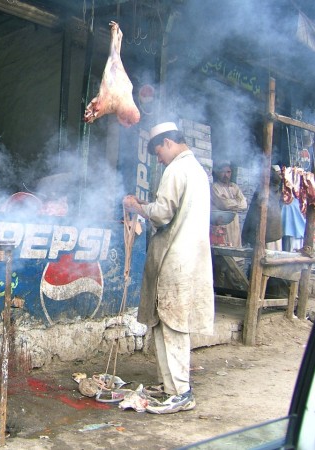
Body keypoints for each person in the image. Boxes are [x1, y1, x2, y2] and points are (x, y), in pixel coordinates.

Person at [123, 121, 214, 414]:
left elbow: (162, 214)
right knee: (165, 321)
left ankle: (182, 391)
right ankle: (170, 387)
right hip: (189, 257)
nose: (158, 158)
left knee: (173, 324)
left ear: (168, 143)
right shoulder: (197, 170)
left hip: (177, 258)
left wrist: (137, 206)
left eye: (158, 152)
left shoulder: (176, 169)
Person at [241, 165, 283, 250]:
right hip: (264, 233)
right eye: (278, 174)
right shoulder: (263, 190)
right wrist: (245, 234)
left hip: (271, 234)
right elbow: (252, 213)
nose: (280, 176)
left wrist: (245, 234)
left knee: (270, 256)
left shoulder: (274, 188)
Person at [210, 161, 247, 247]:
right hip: (222, 222)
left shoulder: (235, 187)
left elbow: (244, 205)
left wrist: (229, 202)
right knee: (225, 247)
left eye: (228, 172)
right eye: (223, 172)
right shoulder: (215, 187)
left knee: (236, 246)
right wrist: (237, 202)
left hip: (235, 222)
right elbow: (223, 204)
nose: (226, 175)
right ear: (218, 173)